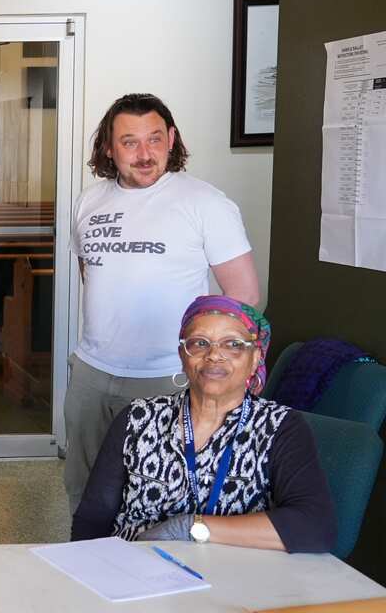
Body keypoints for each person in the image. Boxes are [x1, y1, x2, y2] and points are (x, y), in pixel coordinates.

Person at [65, 93, 261, 512]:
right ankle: (86, 569)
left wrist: (210, 367)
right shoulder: (88, 202)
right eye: (129, 142)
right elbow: (92, 274)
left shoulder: (206, 203)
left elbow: (243, 298)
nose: (144, 154)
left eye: (155, 139)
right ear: (108, 147)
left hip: (167, 376)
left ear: (172, 139)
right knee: (84, 491)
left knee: (159, 495)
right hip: (92, 375)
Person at [71, 295, 336, 551]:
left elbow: (315, 527)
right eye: (200, 343)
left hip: (235, 579)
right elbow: (92, 520)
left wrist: (191, 527)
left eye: (232, 345)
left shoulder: (280, 427)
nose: (213, 355)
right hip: (134, 572)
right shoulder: (137, 418)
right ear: (182, 355)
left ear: (255, 358)